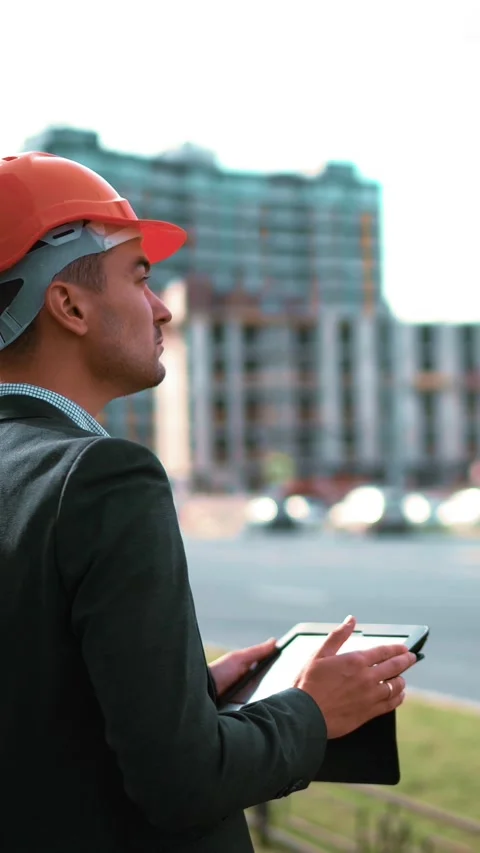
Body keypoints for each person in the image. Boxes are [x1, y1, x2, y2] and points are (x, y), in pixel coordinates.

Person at [0, 152, 417, 853]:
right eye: (140, 276)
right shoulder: (104, 475)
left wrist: (183, 691)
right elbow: (184, 783)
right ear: (68, 305)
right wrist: (313, 711)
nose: (162, 305)